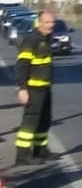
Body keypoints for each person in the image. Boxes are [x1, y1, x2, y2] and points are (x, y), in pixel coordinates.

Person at [14, 10, 56, 166]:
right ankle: (22, 155)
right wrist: (22, 88)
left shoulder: (47, 39)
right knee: (30, 121)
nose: (50, 25)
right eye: (47, 22)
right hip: (33, 89)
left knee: (44, 120)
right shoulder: (32, 40)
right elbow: (22, 65)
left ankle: (40, 149)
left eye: (52, 22)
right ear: (39, 23)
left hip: (45, 87)